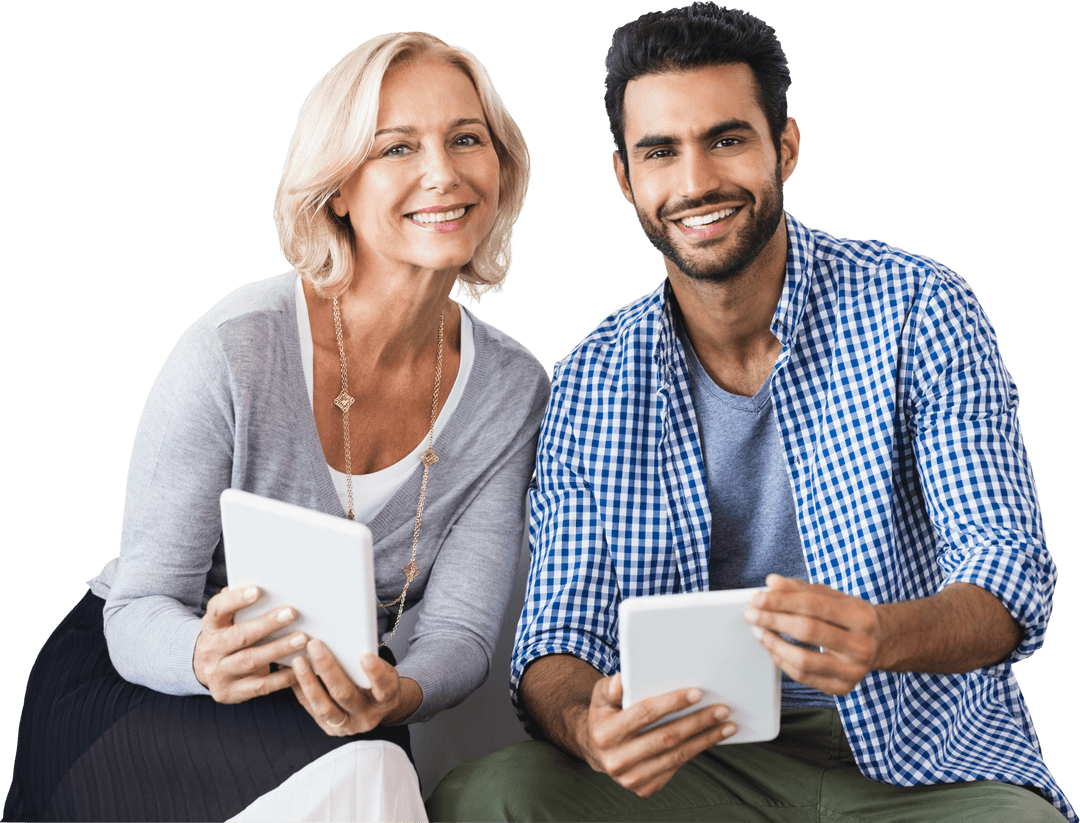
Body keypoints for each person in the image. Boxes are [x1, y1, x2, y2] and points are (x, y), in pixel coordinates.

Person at [426, 4, 1075, 822]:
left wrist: (880, 634)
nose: (696, 181)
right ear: (626, 178)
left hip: (927, 760)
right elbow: (557, 634)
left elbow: (1009, 571)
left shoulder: (917, 307)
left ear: (786, 148)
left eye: (727, 139)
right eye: (661, 151)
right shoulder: (594, 375)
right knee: (488, 797)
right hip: (701, 765)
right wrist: (588, 722)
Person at [3, 30, 549, 823]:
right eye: (397, 147)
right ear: (338, 189)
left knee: (372, 770)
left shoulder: (512, 387)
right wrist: (202, 654)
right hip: (149, 682)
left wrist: (404, 689)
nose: (444, 172)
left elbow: (463, 631)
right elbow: (140, 606)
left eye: (467, 138)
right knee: (372, 782)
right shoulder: (235, 348)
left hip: (338, 701)